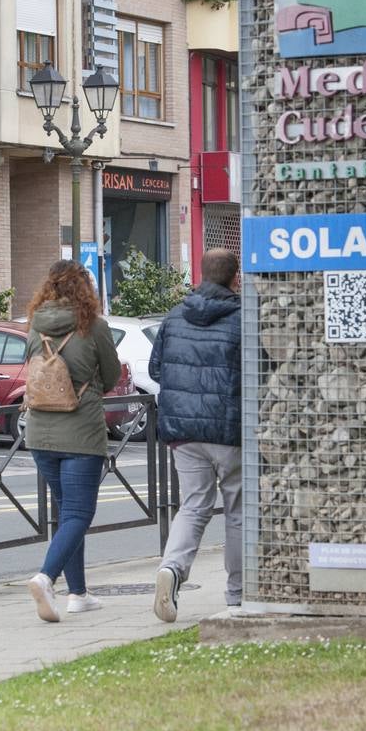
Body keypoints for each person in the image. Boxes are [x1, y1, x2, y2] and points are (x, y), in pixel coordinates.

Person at [23, 259, 122, 623]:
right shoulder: (94, 326)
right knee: (79, 514)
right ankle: (46, 578)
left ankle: (78, 593)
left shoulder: (35, 324)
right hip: (81, 431)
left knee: (68, 514)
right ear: (85, 288)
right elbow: (111, 376)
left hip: (40, 433)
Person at [149, 247, 243, 622]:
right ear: (235, 278)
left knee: (193, 506)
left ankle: (171, 569)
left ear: (201, 276)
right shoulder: (243, 318)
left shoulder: (174, 317)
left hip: (184, 432)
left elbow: (157, 370)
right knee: (237, 511)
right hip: (230, 431)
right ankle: (237, 594)